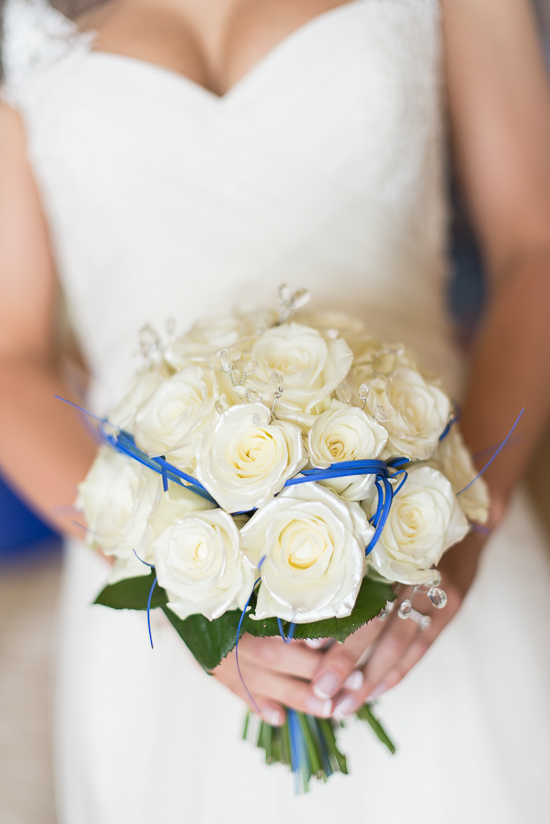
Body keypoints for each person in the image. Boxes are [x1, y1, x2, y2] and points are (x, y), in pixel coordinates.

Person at [1, 0, 550, 821]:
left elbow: (534, 250)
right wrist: (172, 574)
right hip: (169, 613)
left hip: (435, 552)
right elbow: (13, 356)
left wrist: (462, 522)